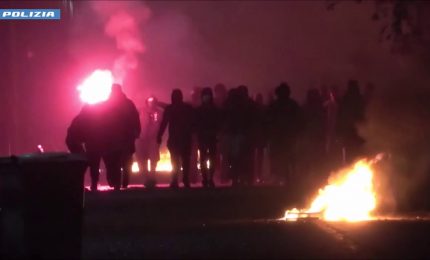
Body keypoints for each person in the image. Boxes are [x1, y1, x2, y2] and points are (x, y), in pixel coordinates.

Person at [103, 84, 141, 190]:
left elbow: (135, 118)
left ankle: (117, 181)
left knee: (116, 161)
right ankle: (121, 181)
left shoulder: (109, 104)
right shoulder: (128, 104)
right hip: (121, 138)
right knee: (122, 161)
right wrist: (137, 131)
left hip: (118, 138)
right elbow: (135, 118)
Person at [157, 89, 195, 188]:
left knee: (175, 161)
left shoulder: (170, 109)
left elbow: (164, 123)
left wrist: (159, 135)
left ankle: (175, 180)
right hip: (185, 138)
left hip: (174, 139)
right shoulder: (187, 108)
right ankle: (185, 180)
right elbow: (193, 123)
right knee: (185, 161)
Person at [267, 82, 302, 186]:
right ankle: (287, 178)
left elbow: (268, 121)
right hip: (284, 137)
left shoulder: (275, 105)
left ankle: (284, 178)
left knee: (284, 158)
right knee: (287, 158)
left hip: (283, 137)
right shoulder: (291, 105)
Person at [195, 87, 221, 188]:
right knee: (205, 158)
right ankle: (206, 178)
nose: (206, 97)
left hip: (210, 137)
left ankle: (208, 178)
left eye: (207, 95)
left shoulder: (212, 110)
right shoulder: (210, 110)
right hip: (205, 137)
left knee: (210, 158)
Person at [337, 80, 366, 164]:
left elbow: (341, 116)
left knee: (349, 155)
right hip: (357, 132)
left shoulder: (346, 99)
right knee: (357, 154)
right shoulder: (359, 99)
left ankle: (350, 167)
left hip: (350, 132)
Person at [137, 96, 163, 188]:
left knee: (153, 159)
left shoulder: (159, 112)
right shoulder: (140, 111)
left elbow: (160, 124)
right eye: (149, 101)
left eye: (153, 101)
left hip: (153, 139)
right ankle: (145, 178)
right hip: (141, 139)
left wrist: (158, 136)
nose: (151, 103)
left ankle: (152, 177)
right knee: (141, 159)